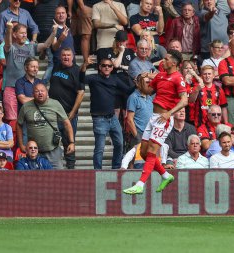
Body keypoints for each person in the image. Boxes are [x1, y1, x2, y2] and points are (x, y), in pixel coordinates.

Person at [123, 49, 188, 195]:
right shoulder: (161, 76)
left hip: (164, 119)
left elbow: (184, 100)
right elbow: (148, 91)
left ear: (173, 63)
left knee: (152, 151)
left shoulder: (178, 78)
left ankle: (140, 184)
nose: (162, 61)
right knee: (144, 153)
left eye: (166, 59)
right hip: (153, 117)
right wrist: (141, 80)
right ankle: (166, 175)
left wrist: (169, 113)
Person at [80, 57, 133, 170]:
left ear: (112, 67)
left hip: (112, 117)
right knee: (100, 148)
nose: (106, 67)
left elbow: (128, 90)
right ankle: (97, 171)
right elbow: (81, 79)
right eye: (104, 65)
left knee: (119, 143)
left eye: (109, 66)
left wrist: (139, 79)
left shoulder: (115, 79)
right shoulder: (94, 78)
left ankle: (116, 167)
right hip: (99, 119)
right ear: (99, 67)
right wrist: (84, 65)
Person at [3, 20, 57, 122]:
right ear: (14, 34)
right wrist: (9, 29)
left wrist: (54, 32)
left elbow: (46, 45)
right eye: (22, 33)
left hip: (28, 87)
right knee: (13, 120)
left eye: (25, 33)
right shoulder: (11, 47)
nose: (24, 35)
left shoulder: (31, 46)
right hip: (12, 88)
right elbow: (7, 43)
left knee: (29, 120)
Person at [17, 83, 75, 169]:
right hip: (34, 152)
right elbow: (18, 124)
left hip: (53, 150)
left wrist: (71, 142)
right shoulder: (26, 107)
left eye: (42, 91)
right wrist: (21, 144)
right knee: (35, 180)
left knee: (58, 177)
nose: (40, 93)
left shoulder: (55, 104)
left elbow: (66, 123)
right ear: (32, 94)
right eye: (37, 91)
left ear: (47, 92)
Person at [49, 47, 85, 169]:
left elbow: (81, 93)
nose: (66, 57)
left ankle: (70, 169)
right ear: (60, 56)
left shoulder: (77, 70)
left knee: (68, 142)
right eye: (63, 55)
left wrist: (73, 112)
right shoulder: (57, 66)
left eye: (68, 55)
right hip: (52, 113)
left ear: (73, 56)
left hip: (67, 114)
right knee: (50, 141)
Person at [126, 73, 154, 149]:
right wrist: (137, 137)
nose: (149, 85)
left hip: (149, 134)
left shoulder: (149, 97)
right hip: (139, 134)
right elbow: (129, 120)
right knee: (138, 160)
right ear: (138, 84)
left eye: (150, 82)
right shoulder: (133, 97)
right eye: (147, 82)